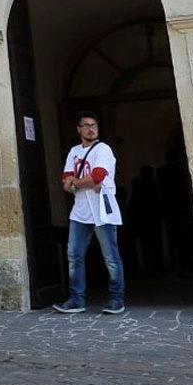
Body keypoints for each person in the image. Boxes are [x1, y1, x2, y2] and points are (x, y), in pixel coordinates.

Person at [53, 112, 125, 315]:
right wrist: (79, 183)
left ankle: (116, 299)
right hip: (80, 212)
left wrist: (77, 182)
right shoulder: (74, 151)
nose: (91, 129)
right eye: (86, 125)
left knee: (110, 257)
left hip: (103, 210)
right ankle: (76, 300)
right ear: (79, 129)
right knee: (74, 256)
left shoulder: (104, 149)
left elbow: (98, 175)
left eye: (94, 125)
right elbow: (66, 180)